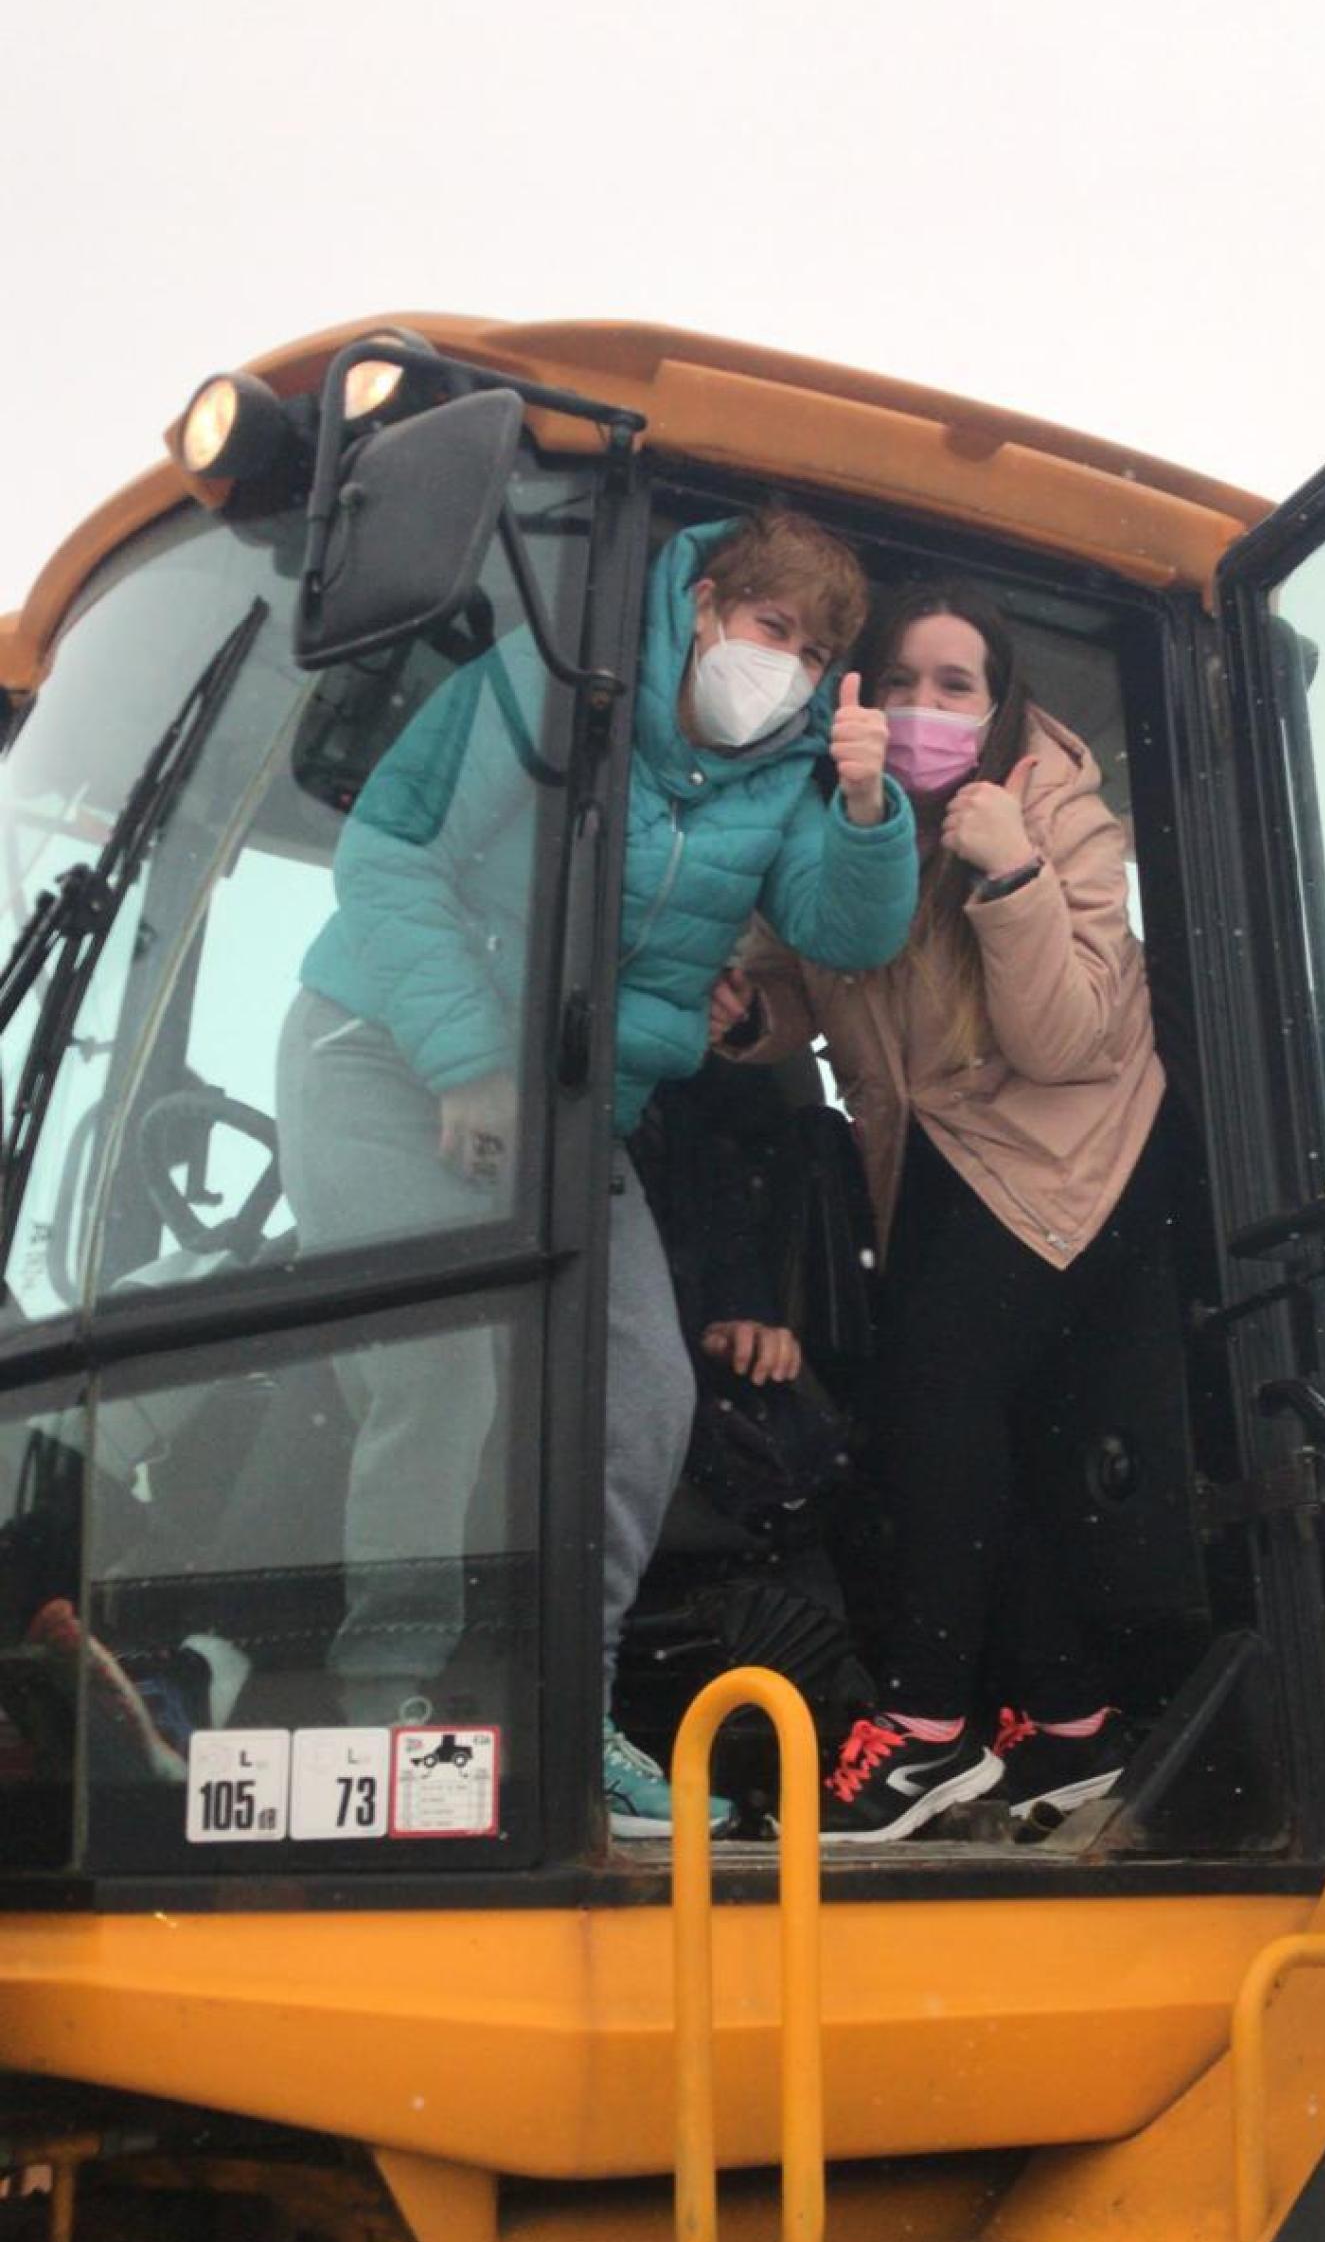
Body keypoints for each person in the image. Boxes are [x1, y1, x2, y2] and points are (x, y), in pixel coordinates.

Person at [276, 510, 917, 1836]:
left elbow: (844, 925)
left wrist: (865, 805)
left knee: (641, 1389)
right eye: (766, 628)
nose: (781, 666)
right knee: (438, 1357)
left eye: (811, 650)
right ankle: (387, 1697)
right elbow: (390, 857)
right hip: (383, 1053)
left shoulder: (788, 774)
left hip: (567, 1110)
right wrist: (465, 1058)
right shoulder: (556, 677)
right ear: (701, 608)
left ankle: (568, 1710)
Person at [713, 579, 1167, 1844]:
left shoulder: (1059, 814)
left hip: (1058, 1154)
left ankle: (923, 1733)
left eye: (952, 685)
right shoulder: (835, 810)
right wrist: (753, 1021)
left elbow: (1069, 1037)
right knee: (960, 1435)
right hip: (924, 1159)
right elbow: (804, 979)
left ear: (997, 700)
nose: (922, 707)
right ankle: (1069, 1726)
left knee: (930, 1414)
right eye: (900, 681)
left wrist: (1009, 870)